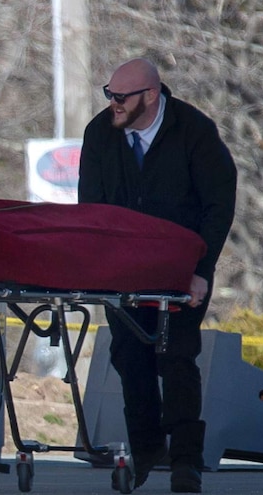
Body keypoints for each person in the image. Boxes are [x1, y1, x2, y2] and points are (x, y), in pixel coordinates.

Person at [78, 58, 237, 493]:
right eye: (108, 94)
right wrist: (96, 268)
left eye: (120, 97)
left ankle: (187, 461)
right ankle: (146, 453)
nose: (112, 104)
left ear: (150, 95)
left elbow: (218, 205)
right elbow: (90, 207)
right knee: (131, 358)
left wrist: (201, 272)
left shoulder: (193, 131)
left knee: (177, 356)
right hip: (123, 270)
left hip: (180, 269)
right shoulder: (100, 134)